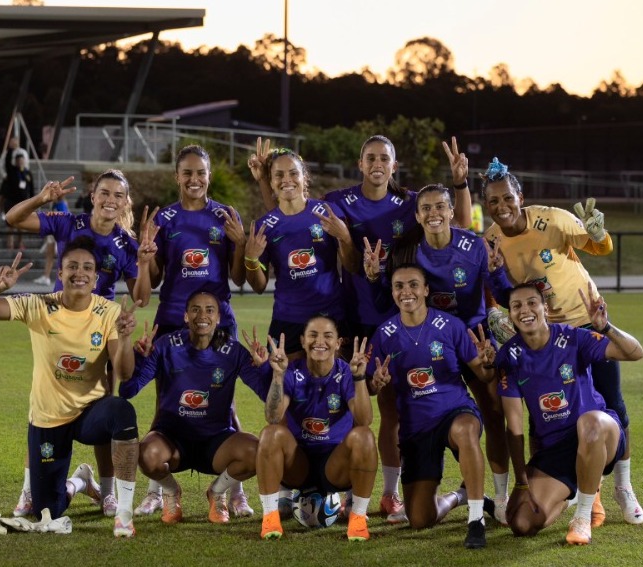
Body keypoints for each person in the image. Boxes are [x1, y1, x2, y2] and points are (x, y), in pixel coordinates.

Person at [311, 135, 474, 522]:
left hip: (404, 318)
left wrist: (460, 182)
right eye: (371, 157)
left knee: (405, 405)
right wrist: (352, 247)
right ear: (360, 163)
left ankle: (395, 492)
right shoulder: (339, 200)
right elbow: (341, 258)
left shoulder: (409, 202)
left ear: (394, 165)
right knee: (363, 406)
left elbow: (461, 223)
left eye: (385, 157)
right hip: (359, 320)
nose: (378, 163)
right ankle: (366, 492)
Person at [481, 157, 643, 527]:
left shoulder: (552, 219)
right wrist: (496, 293)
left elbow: (599, 248)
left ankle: (622, 486)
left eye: (507, 198)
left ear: (519, 195)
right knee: (547, 419)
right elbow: (507, 294)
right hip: (541, 335)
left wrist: (599, 233)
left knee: (611, 405)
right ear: (486, 206)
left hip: (585, 323)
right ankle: (569, 488)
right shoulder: (489, 241)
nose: (502, 207)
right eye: (493, 202)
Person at [0, 237, 142, 538]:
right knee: (49, 509)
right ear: (60, 273)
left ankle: (123, 513)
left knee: (122, 411)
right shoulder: (39, 305)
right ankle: (79, 482)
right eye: (72, 266)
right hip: (49, 418)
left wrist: (124, 339)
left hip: (90, 414)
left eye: (87, 268)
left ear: (96, 277)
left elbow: (123, 372)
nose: (79, 273)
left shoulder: (110, 312)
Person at [3, 169, 150, 519]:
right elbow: (13, 219)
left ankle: (108, 491)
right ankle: (28, 490)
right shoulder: (69, 223)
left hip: (102, 328)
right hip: (62, 320)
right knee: (44, 404)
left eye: (118, 195)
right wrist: (42, 198)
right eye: (104, 193)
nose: (110, 200)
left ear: (124, 202)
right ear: (93, 195)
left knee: (104, 405)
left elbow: (141, 297)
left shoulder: (125, 244)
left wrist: (144, 262)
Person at [366, 182, 513, 524]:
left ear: (451, 212)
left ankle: (502, 497)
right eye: (426, 208)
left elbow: (502, 294)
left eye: (439, 207)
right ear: (417, 216)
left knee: (493, 412)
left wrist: (498, 272)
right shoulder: (406, 250)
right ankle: (409, 492)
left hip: (474, 337)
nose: (433, 213)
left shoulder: (474, 246)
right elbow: (388, 302)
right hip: (430, 338)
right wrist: (375, 279)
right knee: (407, 410)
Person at [132, 145, 255, 519]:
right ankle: (157, 490)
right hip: (172, 318)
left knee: (225, 402)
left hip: (218, 320)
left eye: (200, 172)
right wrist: (147, 252)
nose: (194, 179)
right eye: (187, 172)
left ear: (209, 175)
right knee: (166, 403)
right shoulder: (165, 219)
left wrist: (239, 244)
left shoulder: (224, 215)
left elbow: (237, 277)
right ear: (176, 176)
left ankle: (235, 492)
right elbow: (152, 281)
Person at [497, 283, 643, 545]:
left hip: (600, 432)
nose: (525, 310)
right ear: (510, 315)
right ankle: (576, 491)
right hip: (556, 449)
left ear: (546, 308)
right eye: (517, 306)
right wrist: (521, 484)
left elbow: (635, 352)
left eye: (532, 302)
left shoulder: (573, 338)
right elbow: (515, 427)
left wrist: (606, 328)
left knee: (589, 422)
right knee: (521, 523)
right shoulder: (510, 356)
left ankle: (583, 515)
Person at [365, 264, 498, 549]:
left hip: (454, 411)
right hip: (416, 428)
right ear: (392, 292)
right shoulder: (384, 335)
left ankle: (476, 520)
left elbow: (484, 374)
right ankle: (460, 496)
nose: (406, 292)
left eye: (413, 284)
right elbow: (369, 387)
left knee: (465, 430)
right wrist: (376, 383)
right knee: (420, 519)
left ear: (426, 290)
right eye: (399, 286)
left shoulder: (450, 326)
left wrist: (488, 363)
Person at [119, 291, 271, 526]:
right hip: (172, 440)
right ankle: (170, 492)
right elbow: (128, 390)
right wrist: (138, 358)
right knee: (145, 454)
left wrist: (266, 368)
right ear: (185, 316)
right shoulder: (166, 346)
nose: (203, 315)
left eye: (210, 310)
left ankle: (217, 492)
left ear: (219, 318)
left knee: (256, 452)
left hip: (217, 441)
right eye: (196, 309)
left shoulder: (232, 351)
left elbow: (266, 394)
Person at [251, 316, 377, 541]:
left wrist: (359, 378)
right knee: (270, 433)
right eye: (313, 335)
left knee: (364, 436)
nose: (320, 341)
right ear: (302, 340)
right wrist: (278, 375)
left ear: (338, 343)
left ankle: (357, 519)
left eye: (328, 336)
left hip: (335, 465)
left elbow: (365, 420)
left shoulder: (346, 372)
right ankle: (270, 518)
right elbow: (273, 416)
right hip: (298, 463)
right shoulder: (292, 371)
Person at [244, 146, 357, 355]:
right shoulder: (263, 226)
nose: (287, 180)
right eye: (279, 175)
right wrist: (250, 259)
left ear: (305, 178)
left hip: (331, 315)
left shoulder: (327, 213)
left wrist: (345, 238)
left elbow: (351, 266)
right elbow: (259, 286)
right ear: (271, 182)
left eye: (293, 173)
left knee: (337, 385)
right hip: (288, 318)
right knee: (284, 385)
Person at [0, 137, 34, 250]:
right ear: (16, 162)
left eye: (22, 160)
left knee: (21, 225)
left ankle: (20, 243)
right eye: (18, 161)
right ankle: (10, 243)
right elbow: (7, 163)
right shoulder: (12, 171)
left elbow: (31, 188)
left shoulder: (27, 173)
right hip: (12, 201)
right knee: (11, 225)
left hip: (22, 202)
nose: (20, 162)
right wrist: (11, 150)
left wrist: (33, 202)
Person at [34, 192, 70, 287]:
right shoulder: (55, 203)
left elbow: (64, 219)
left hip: (58, 233)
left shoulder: (61, 204)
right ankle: (46, 276)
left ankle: (63, 278)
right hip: (53, 233)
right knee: (49, 255)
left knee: (60, 256)